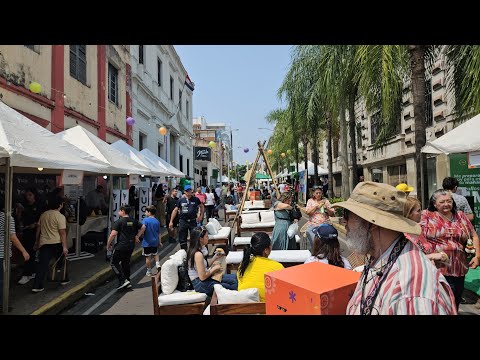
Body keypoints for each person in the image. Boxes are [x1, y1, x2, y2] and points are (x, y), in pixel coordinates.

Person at [331, 181, 456, 315]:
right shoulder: (380, 257)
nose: (344, 221)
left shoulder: (410, 292)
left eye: (347, 214)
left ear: (370, 223)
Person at [420, 189, 480, 310]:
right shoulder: (426, 215)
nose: (446, 204)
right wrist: (427, 254)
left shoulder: (460, 215)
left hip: (459, 267)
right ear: (434, 204)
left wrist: (477, 256)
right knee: (442, 302)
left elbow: (474, 235)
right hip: (436, 267)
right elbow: (416, 235)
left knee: (455, 300)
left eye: (449, 201)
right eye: (442, 202)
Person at [32, 197, 69, 292]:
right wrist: (65, 247)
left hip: (44, 243)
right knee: (61, 262)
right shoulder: (60, 216)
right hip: (57, 243)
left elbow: (38, 230)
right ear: (60, 205)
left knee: (42, 265)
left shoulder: (43, 214)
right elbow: (62, 233)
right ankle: (63, 279)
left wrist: (36, 241)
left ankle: (37, 286)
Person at [187, 226, 238, 296]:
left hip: (204, 280)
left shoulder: (200, 249)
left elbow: (204, 266)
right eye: (206, 236)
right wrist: (214, 269)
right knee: (232, 285)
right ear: (200, 239)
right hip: (200, 284)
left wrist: (215, 257)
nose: (208, 238)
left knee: (234, 278)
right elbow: (202, 276)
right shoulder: (198, 254)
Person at [0, 196, 30, 310]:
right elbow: (13, 236)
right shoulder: (7, 218)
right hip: (2, 255)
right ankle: (3, 305)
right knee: (2, 281)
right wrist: (24, 251)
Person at [403, 196, 449, 266]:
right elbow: (407, 260)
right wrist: (432, 256)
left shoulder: (417, 230)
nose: (421, 213)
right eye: (418, 210)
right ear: (409, 213)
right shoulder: (402, 236)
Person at [237, 232, 284, 301]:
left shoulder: (243, 265)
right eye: (270, 245)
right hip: (266, 308)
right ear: (266, 250)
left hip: (244, 306)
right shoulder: (277, 267)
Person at [107, 206, 142, 290]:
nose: (118, 212)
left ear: (123, 211)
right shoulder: (133, 220)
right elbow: (143, 227)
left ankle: (123, 280)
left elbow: (113, 234)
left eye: (119, 210)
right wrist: (137, 236)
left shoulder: (119, 221)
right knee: (125, 263)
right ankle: (127, 280)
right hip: (130, 246)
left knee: (113, 262)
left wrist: (108, 244)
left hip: (121, 246)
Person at [17, 188, 44, 285]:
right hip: (26, 232)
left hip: (36, 232)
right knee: (27, 252)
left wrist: (35, 224)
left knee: (31, 252)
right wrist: (19, 211)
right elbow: (20, 219)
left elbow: (42, 219)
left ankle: (27, 274)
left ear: (34, 195)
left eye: (30, 195)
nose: (28, 197)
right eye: (27, 195)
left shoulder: (39, 206)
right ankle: (30, 272)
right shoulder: (24, 206)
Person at [169, 185, 202, 251]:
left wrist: (200, 215)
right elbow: (175, 210)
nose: (189, 192)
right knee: (182, 237)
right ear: (184, 191)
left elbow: (201, 206)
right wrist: (171, 221)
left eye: (190, 190)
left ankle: (194, 251)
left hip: (192, 221)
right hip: (183, 221)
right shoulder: (180, 200)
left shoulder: (196, 199)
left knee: (194, 236)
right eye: (187, 191)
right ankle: (184, 252)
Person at [135, 205, 162, 277]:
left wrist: (138, 236)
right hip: (155, 241)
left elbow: (143, 229)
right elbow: (159, 233)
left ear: (149, 212)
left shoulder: (145, 220)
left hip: (147, 242)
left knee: (148, 257)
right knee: (155, 253)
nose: (145, 213)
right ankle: (157, 263)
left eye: (146, 212)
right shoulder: (157, 221)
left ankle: (149, 270)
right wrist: (160, 241)